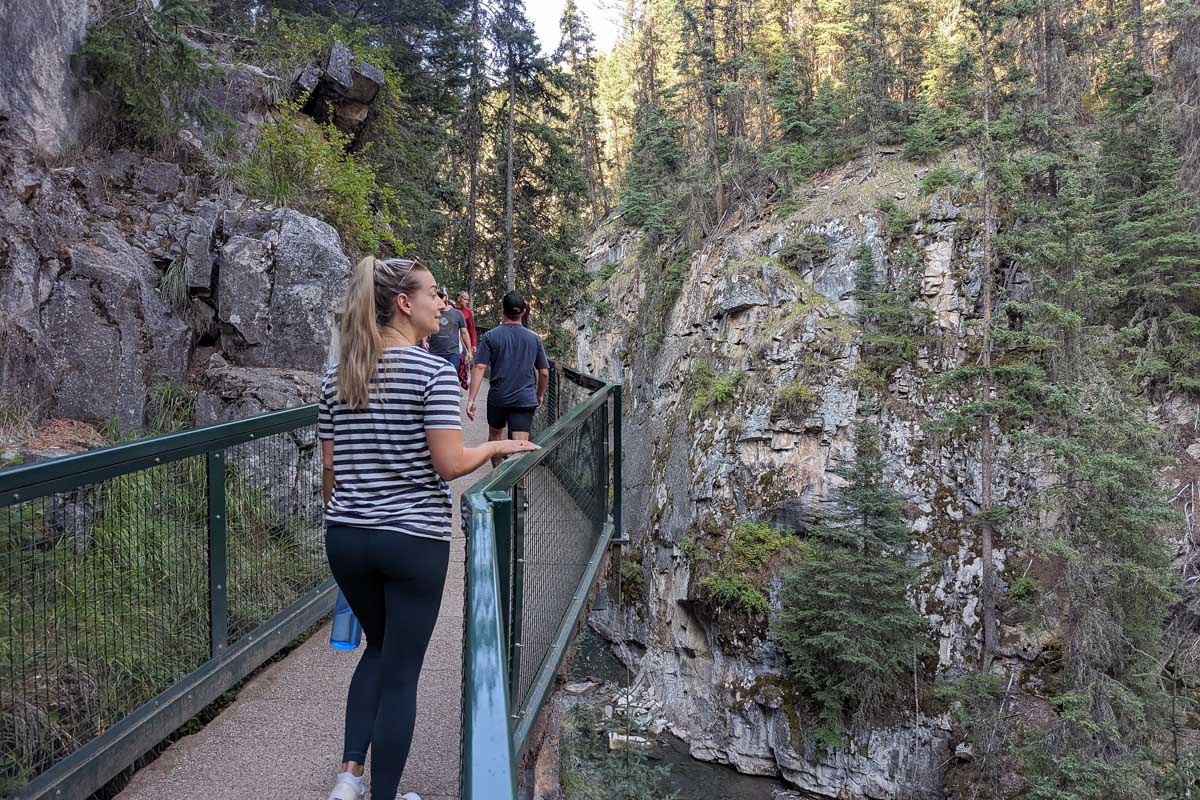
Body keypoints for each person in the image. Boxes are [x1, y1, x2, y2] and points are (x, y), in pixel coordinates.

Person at [319, 256, 537, 800]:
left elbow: (329, 468)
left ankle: (349, 778)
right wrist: (495, 444)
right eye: (434, 295)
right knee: (402, 669)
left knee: (379, 646)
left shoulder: (339, 374)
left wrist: (352, 511)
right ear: (403, 304)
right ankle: (386, 797)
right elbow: (450, 464)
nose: (443, 305)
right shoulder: (432, 371)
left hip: (346, 535)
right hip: (412, 539)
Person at [467, 290, 550, 467]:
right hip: (525, 398)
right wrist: (540, 394)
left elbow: (480, 366)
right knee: (521, 446)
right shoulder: (534, 339)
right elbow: (544, 372)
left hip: (499, 397)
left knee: (495, 437)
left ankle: (497, 480)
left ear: (502, 310)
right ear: (523, 311)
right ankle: (517, 488)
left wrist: (471, 399)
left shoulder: (491, 336)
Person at [425, 288, 472, 373]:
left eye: (442, 296)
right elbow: (426, 327)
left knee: (451, 379)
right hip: (434, 352)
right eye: (438, 296)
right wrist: (424, 341)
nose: (440, 298)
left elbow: (464, 333)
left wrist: (469, 351)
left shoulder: (458, 314)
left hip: (452, 354)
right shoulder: (432, 312)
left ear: (446, 297)